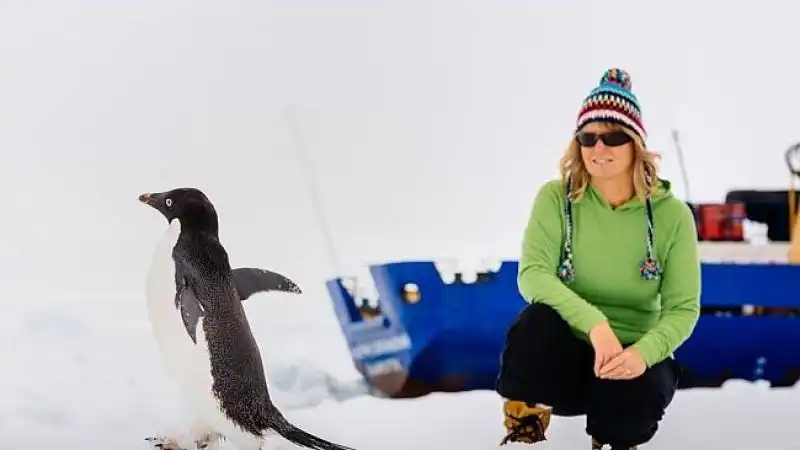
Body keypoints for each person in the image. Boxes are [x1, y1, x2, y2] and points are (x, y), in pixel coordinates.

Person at [495, 68, 701, 450]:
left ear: (636, 143)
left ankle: (612, 442)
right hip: (569, 362)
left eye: (613, 137)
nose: (598, 148)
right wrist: (595, 325)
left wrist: (642, 354)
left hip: (632, 361)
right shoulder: (556, 199)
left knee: (634, 400)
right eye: (588, 138)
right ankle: (524, 428)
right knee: (534, 324)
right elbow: (533, 275)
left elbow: (683, 309)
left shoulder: (673, 216)